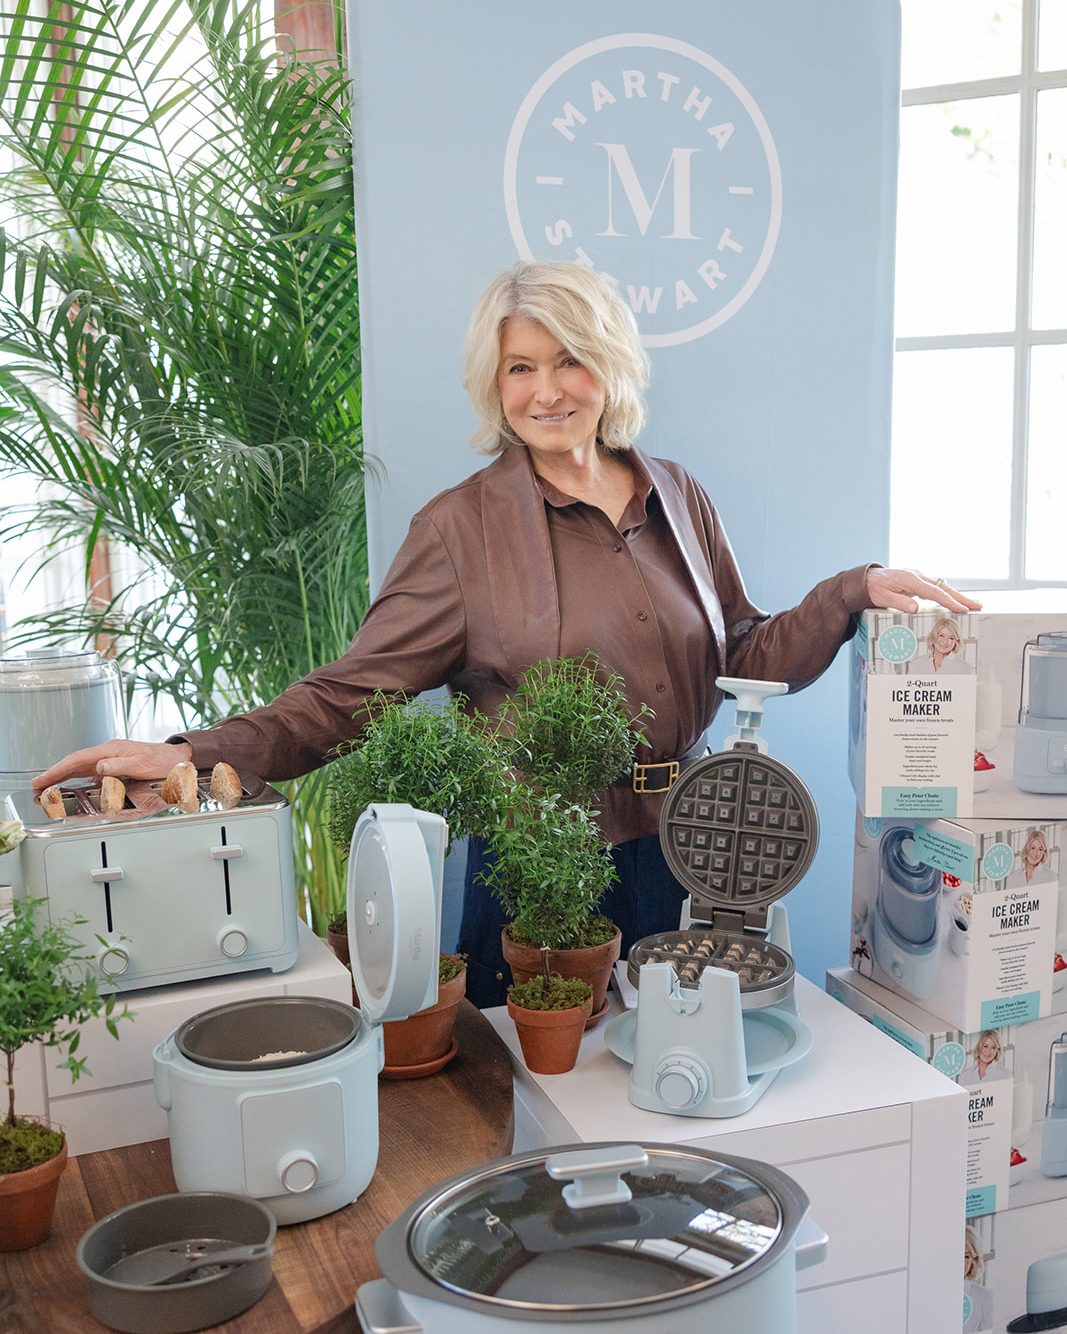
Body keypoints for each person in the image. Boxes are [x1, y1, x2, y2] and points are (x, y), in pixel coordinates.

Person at [33, 261, 981, 1007]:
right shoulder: (460, 529)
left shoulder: (677, 493)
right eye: (520, 367)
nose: (545, 390)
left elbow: (739, 653)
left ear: (609, 365)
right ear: (495, 384)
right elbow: (354, 694)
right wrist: (191, 753)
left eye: (568, 360)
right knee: (543, 1105)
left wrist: (851, 591)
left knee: (678, 1088)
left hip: (688, 850)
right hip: (541, 862)